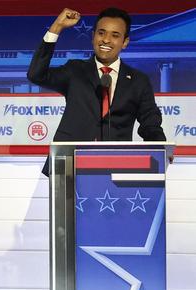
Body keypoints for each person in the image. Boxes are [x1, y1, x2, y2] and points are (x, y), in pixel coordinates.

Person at [27, 8, 166, 176]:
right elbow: (36, 75)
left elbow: (150, 124)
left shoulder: (138, 81)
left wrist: (161, 150)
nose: (106, 40)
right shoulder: (75, 71)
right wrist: (57, 27)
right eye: (101, 33)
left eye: (115, 35)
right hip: (68, 165)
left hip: (117, 168)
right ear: (93, 36)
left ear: (125, 42)